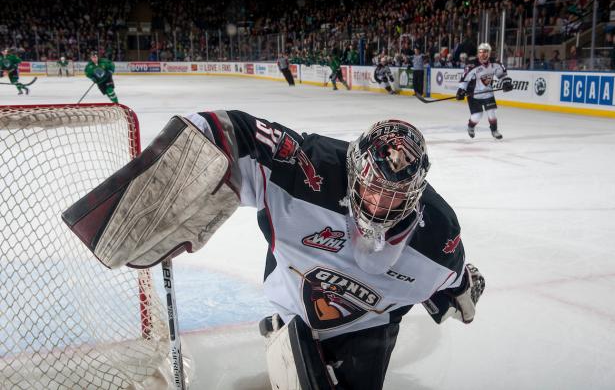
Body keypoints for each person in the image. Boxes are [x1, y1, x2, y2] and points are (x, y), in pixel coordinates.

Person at [68, 111, 486, 390]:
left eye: (395, 195)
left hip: (368, 328)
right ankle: (284, 331)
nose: (379, 204)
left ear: (416, 193)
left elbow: (451, 279)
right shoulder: (312, 169)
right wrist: (181, 174)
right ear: (353, 168)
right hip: (296, 309)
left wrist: (460, 291)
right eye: (373, 186)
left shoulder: (438, 233)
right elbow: (234, 135)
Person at [456, 43, 513, 140]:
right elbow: (464, 80)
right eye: (481, 52)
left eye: (485, 52)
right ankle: (471, 126)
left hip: (488, 93)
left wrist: (506, 82)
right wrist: (461, 90)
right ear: (478, 53)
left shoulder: (495, 63)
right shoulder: (471, 65)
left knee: (492, 112)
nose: (483, 55)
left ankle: (494, 130)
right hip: (474, 95)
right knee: (477, 116)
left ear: (489, 53)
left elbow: (502, 75)